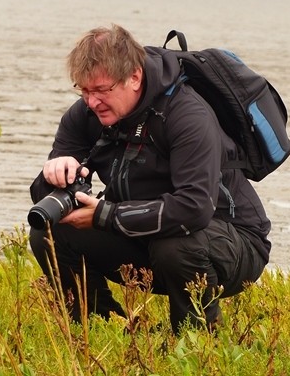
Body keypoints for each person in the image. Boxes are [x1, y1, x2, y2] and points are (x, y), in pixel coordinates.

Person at [28, 24, 271, 333]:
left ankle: (196, 340)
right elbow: (46, 200)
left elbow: (194, 209)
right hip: (145, 234)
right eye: (84, 90)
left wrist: (106, 215)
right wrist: (54, 173)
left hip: (232, 242)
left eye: (102, 90)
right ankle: (98, 328)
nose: (92, 102)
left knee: (176, 245)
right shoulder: (85, 115)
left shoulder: (187, 116)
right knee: (48, 232)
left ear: (134, 76)